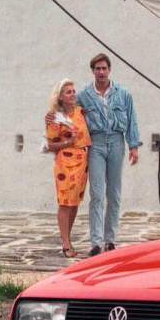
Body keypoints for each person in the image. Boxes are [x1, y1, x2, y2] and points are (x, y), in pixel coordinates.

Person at [49, 53, 142, 257]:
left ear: (109, 70)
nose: (101, 72)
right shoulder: (84, 95)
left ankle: (110, 239)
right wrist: (54, 119)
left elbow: (132, 119)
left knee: (114, 194)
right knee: (97, 194)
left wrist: (134, 146)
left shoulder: (123, 94)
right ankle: (96, 242)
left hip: (117, 142)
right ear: (93, 71)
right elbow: (68, 110)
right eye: (97, 69)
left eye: (104, 68)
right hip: (97, 144)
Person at [45, 79, 92, 258]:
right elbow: (50, 145)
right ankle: (66, 244)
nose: (73, 94)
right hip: (65, 163)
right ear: (61, 97)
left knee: (74, 204)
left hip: (82, 162)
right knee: (65, 203)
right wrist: (68, 142)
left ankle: (68, 238)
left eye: (73, 91)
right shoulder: (55, 117)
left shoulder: (81, 111)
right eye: (68, 92)